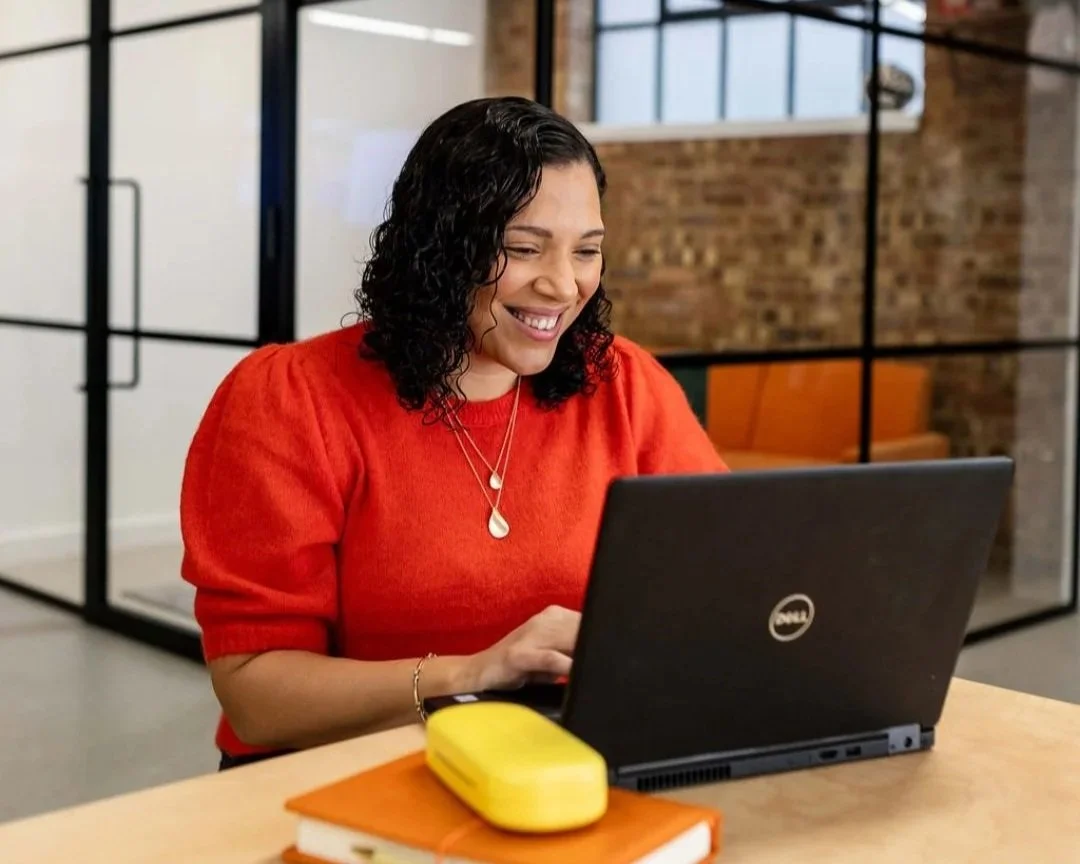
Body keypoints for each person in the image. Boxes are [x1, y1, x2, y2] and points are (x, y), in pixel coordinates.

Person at [180, 96, 727, 769]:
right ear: (441, 249)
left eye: (587, 251)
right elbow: (256, 698)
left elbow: (723, 583)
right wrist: (469, 676)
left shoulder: (623, 384)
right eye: (523, 249)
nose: (562, 284)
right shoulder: (288, 399)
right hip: (350, 775)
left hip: (566, 766)